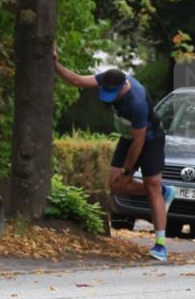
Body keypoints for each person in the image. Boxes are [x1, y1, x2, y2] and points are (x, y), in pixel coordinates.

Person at [52, 46, 177, 261]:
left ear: (124, 86)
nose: (109, 98)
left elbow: (139, 142)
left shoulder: (136, 102)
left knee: (152, 184)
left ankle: (160, 246)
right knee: (116, 184)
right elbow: (78, 81)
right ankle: (164, 192)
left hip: (149, 140)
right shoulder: (109, 77)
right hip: (128, 136)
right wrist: (54, 64)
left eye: (112, 94)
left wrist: (129, 170)